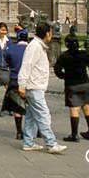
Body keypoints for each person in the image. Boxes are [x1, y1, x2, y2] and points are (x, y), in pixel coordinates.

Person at [18, 21, 66, 154]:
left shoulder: (39, 46)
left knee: (31, 116)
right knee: (43, 115)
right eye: (50, 31)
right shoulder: (35, 46)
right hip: (34, 87)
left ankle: (28, 142)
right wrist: (22, 85)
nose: (51, 34)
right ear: (47, 33)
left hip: (36, 86)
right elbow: (27, 65)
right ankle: (51, 143)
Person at [53, 34, 89, 142]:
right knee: (86, 106)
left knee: (74, 108)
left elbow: (57, 69)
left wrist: (64, 76)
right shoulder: (83, 54)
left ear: (66, 44)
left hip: (71, 84)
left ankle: (74, 134)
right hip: (84, 82)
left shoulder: (64, 56)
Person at [2, 28, 30, 138]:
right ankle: (37, 131)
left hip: (15, 80)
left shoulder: (11, 49)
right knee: (33, 106)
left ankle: (19, 132)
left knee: (17, 107)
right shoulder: (31, 49)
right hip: (29, 81)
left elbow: (6, 60)